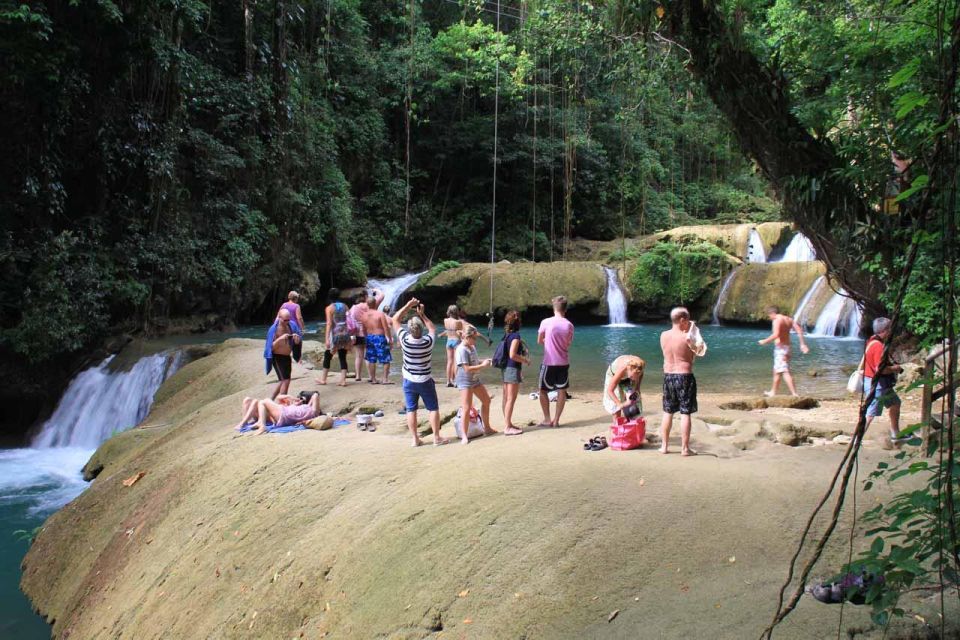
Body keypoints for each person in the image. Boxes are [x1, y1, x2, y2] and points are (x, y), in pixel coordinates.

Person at [391, 297, 448, 447]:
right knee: (433, 408)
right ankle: (436, 438)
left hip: (409, 381)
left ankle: (415, 439)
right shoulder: (428, 341)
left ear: (409, 329)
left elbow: (395, 320)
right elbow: (432, 328)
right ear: (421, 329)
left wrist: (408, 305)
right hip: (425, 380)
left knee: (411, 409)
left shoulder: (404, 340)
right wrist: (422, 314)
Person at [659, 307, 703, 456]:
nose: (690, 322)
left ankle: (664, 447)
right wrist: (692, 332)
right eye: (688, 320)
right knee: (685, 413)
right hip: (684, 376)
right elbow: (700, 351)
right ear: (682, 320)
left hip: (668, 376)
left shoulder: (663, 335)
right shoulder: (686, 338)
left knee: (668, 412)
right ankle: (685, 449)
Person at [861, 316, 904, 441]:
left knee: (895, 403)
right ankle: (857, 440)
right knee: (870, 413)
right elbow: (880, 369)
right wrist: (894, 368)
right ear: (885, 330)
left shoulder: (871, 341)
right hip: (877, 384)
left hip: (879, 383)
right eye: (890, 329)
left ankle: (896, 434)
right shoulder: (878, 346)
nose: (892, 331)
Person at [455, 326, 498, 444]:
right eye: (474, 338)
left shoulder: (472, 347)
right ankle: (464, 435)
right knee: (466, 407)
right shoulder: (461, 349)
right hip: (465, 381)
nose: (476, 340)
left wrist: (486, 361)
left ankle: (487, 428)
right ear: (467, 337)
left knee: (487, 401)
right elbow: (467, 368)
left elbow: (475, 362)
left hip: (475, 380)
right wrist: (483, 366)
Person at [537, 295, 574, 428]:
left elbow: (539, 340)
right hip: (563, 362)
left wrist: (548, 342)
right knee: (562, 391)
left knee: (542, 390)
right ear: (565, 309)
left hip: (549, 362)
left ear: (554, 308)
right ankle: (556, 420)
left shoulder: (545, 322)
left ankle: (547, 419)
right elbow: (568, 343)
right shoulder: (569, 325)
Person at [758, 305, 810, 397]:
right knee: (777, 371)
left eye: (769, 316)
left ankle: (794, 393)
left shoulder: (777, 320)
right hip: (787, 347)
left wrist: (764, 341)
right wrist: (802, 344)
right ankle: (773, 392)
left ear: (773, 313)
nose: (769, 318)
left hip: (781, 349)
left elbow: (776, 334)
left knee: (785, 371)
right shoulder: (789, 319)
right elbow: (799, 330)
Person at [234, 392, 321, 435]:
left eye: (302, 399)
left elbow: (315, 395)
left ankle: (260, 424)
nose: (299, 400)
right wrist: (291, 397)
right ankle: (245, 422)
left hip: (281, 415)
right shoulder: (292, 406)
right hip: (280, 414)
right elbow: (279, 397)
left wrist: (307, 401)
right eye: (299, 398)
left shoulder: (312, 412)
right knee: (248, 400)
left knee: (264, 401)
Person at [500, 310, 529, 436]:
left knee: (506, 398)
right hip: (512, 369)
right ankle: (507, 427)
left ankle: (508, 423)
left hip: (505, 368)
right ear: (519, 322)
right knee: (511, 399)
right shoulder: (516, 336)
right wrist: (525, 360)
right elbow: (512, 354)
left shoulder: (507, 335)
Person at [349, 288, 384, 383]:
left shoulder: (353, 308)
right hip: (368, 333)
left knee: (358, 355)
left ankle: (358, 376)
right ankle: (370, 377)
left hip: (356, 334)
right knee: (368, 356)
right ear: (365, 297)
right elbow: (382, 296)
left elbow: (350, 322)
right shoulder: (369, 305)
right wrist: (376, 290)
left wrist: (352, 336)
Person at [265, 308, 301, 400]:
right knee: (285, 380)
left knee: (283, 380)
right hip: (277, 357)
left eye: (289, 319)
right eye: (285, 320)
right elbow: (270, 348)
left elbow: (298, 339)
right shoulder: (274, 329)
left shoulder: (291, 325)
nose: (287, 322)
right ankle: (283, 403)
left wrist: (297, 340)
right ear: (279, 318)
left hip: (287, 357)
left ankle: (271, 399)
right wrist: (280, 339)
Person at [318, 288, 352, 387]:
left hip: (335, 334)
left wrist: (327, 339)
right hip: (345, 334)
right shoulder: (345, 306)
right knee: (342, 356)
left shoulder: (329, 308)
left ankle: (323, 379)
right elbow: (349, 320)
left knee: (327, 356)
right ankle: (343, 380)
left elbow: (329, 323)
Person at [363, 293, 393, 384]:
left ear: (367, 304)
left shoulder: (364, 315)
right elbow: (386, 328)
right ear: (375, 303)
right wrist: (390, 340)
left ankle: (373, 379)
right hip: (380, 337)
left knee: (371, 359)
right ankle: (384, 379)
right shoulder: (380, 314)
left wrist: (366, 339)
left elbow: (364, 329)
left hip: (369, 337)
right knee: (386, 359)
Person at [442, 305, 463, 387]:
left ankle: (448, 381)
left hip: (448, 341)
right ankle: (456, 381)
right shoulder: (458, 322)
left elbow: (447, 331)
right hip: (456, 340)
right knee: (456, 362)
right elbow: (460, 332)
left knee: (449, 362)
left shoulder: (445, 320)